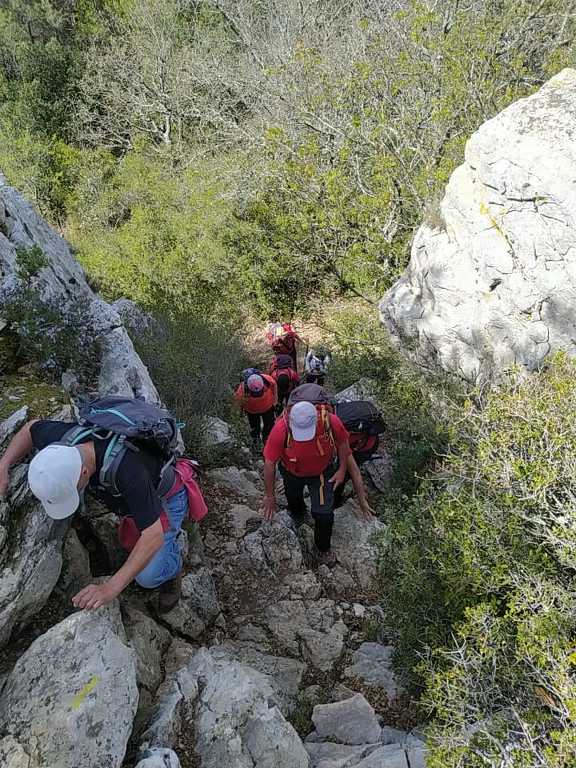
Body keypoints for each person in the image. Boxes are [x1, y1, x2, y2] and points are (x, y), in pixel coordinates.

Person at [0, 405, 203, 614]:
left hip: (166, 497)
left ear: (84, 471)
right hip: (134, 499)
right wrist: (4, 464)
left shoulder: (128, 468)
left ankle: (173, 564)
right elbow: (31, 429)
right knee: (135, 549)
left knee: (147, 577)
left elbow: (153, 536)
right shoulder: (62, 443)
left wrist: (109, 589)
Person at [262, 384, 373, 566]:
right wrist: (270, 496)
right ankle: (298, 513)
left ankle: (322, 549)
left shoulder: (331, 421)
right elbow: (269, 463)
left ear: (316, 419)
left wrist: (341, 470)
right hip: (291, 471)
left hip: (321, 473)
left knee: (323, 514)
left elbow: (344, 448)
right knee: (293, 495)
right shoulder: (280, 428)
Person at [332, 400, 385, 509]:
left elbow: (354, 471)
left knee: (344, 473)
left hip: (365, 447)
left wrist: (362, 500)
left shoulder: (339, 433)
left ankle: (335, 500)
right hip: (366, 441)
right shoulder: (333, 418)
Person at [234, 370, 278, 450]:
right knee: (255, 429)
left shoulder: (267, 379)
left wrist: (275, 400)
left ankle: (267, 441)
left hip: (267, 408)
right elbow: (238, 402)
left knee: (269, 426)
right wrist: (239, 413)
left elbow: (274, 385)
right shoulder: (242, 388)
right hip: (252, 411)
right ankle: (256, 445)